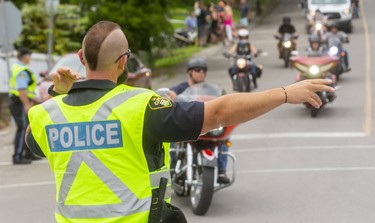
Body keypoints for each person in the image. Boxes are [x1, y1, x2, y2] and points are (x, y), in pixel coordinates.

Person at [25, 20, 334, 223]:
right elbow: (217, 112)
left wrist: (58, 93)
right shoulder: (138, 106)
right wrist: (284, 93)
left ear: (81, 57)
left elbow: (34, 142)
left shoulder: (45, 115)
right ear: (123, 62)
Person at [168, 58, 230, 184]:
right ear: (190, 72)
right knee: (172, 140)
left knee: (223, 140)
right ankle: (172, 167)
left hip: (205, 125)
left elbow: (221, 100)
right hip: (187, 123)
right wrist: (170, 96)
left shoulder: (210, 89)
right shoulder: (181, 87)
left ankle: (222, 171)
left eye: (203, 70)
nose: (201, 72)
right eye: (197, 70)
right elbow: (170, 96)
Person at [8, 47, 37, 164]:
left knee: (26, 127)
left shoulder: (17, 67)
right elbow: (21, 90)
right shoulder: (22, 71)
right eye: (29, 55)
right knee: (22, 127)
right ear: (25, 56)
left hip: (19, 101)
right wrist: (26, 105)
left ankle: (28, 153)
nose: (29, 58)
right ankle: (18, 156)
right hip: (19, 102)